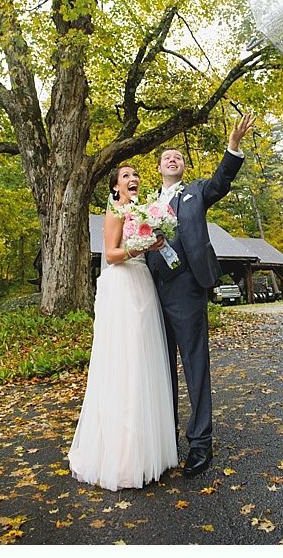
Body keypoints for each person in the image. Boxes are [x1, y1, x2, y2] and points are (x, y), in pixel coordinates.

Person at [146, 114, 256, 478]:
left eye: (178, 156)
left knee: (195, 364)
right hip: (150, 292)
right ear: (159, 167)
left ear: (183, 165)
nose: (172, 159)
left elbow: (222, 181)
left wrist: (234, 146)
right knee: (159, 369)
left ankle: (200, 442)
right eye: (166, 157)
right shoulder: (145, 204)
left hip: (187, 287)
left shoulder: (196, 192)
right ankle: (164, 443)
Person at [68, 165, 178, 491]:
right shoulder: (115, 211)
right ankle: (123, 458)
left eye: (136, 176)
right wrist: (142, 247)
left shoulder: (143, 211)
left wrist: (155, 242)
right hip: (123, 286)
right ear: (116, 186)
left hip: (143, 283)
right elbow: (112, 254)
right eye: (126, 176)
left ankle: (148, 453)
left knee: (145, 363)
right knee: (124, 363)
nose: (133, 180)